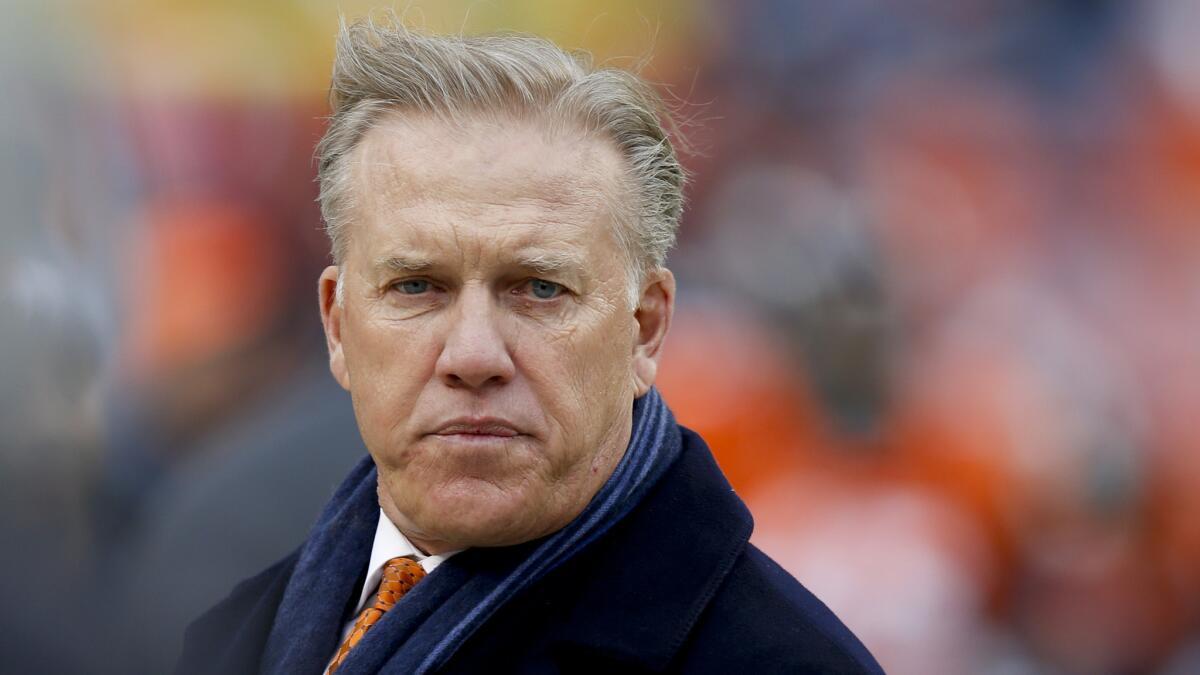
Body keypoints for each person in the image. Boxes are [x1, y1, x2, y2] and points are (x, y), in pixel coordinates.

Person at [178, 16, 883, 675]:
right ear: (337, 324)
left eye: (540, 289)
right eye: (418, 286)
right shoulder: (230, 636)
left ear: (646, 328)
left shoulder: (781, 661)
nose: (474, 355)